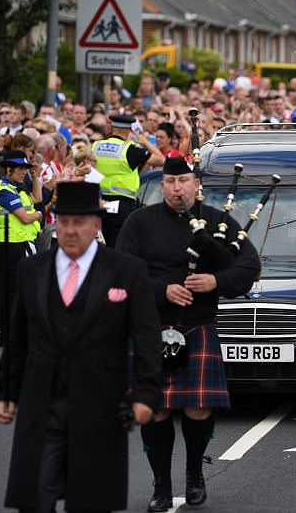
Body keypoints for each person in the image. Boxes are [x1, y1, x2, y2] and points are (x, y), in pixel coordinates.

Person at [0, 181, 161, 512]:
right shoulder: (32, 270)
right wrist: (6, 393)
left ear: (96, 225)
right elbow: (17, 338)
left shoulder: (126, 271)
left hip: (100, 405)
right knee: (35, 497)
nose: (70, 230)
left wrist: (145, 395)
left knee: (90, 502)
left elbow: (146, 339)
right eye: (64, 221)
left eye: (79, 222)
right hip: (42, 403)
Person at [116, 157, 261, 511]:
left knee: (198, 407)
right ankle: (161, 486)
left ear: (197, 183)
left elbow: (249, 268)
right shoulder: (140, 222)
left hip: (198, 324)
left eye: (183, 180)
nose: (176, 188)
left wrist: (216, 281)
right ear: (161, 184)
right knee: (157, 411)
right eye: (169, 181)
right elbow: (120, 273)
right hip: (151, 328)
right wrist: (161, 290)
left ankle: (194, 474)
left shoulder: (218, 222)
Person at [0, 151, 43, 331]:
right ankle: (2, 321)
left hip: (21, 241)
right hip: (10, 244)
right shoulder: (4, 190)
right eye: (21, 169)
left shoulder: (18, 186)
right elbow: (25, 217)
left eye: (26, 169)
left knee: (16, 284)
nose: (24, 172)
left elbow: (37, 199)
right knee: (9, 285)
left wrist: (36, 177)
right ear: (8, 169)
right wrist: (39, 215)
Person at [92, 113, 163, 247]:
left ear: (111, 128)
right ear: (129, 132)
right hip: (121, 206)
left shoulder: (96, 145)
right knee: (118, 246)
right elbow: (160, 159)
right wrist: (145, 142)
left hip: (97, 201)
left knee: (98, 245)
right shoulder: (130, 150)